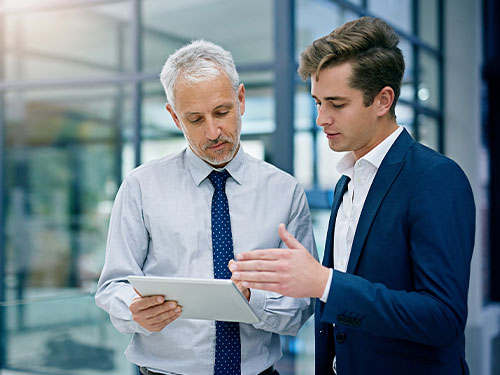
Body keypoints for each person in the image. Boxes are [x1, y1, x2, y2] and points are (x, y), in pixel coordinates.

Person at [230, 16, 475, 375]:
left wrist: (324, 283)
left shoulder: (436, 178)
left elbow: (443, 318)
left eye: (336, 104)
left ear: (382, 100)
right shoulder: (346, 183)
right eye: (317, 103)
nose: (321, 119)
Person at [95, 40, 317, 375]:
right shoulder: (141, 188)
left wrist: (251, 299)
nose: (213, 132)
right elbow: (112, 286)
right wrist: (133, 310)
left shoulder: (284, 192)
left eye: (222, 112)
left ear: (240, 100)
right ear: (174, 117)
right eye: (195, 119)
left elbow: (301, 307)